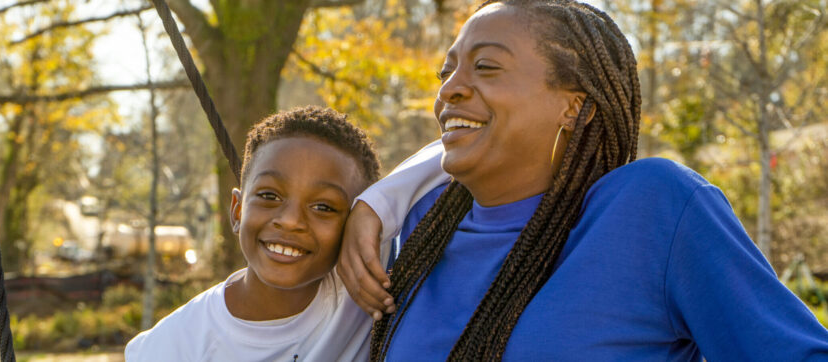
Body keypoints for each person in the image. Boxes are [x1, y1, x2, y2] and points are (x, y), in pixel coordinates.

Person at [335, 0, 828, 361]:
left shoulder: (651, 208)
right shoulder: (421, 223)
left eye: (485, 66)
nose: (449, 89)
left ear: (574, 105)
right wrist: (379, 199)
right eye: (447, 72)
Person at [125, 106, 381, 361]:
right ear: (237, 211)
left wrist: (374, 210)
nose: (290, 221)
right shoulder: (174, 344)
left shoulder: (364, 294)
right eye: (269, 196)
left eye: (323, 207)